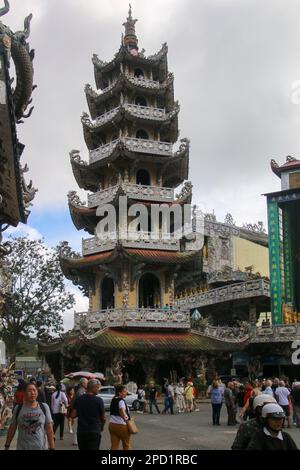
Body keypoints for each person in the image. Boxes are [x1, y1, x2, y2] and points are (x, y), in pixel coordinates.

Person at [4, 383, 54, 450]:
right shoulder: (18, 408)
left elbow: (49, 429)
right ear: (24, 393)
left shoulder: (44, 407)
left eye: (34, 390)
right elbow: (12, 428)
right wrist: (7, 445)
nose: (32, 393)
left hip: (41, 447)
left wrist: (52, 447)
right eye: (29, 391)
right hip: (22, 447)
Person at [71, 379, 105, 451]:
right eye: (97, 388)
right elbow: (103, 417)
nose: (98, 390)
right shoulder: (99, 400)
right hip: (94, 431)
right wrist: (102, 426)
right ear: (93, 387)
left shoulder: (79, 399)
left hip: (82, 431)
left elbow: (73, 415)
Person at [109, 385, 132, 450]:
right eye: (124, 391)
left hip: (112, 425)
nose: (126, 392)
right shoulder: (121, 401)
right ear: (119, 393)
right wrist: (128, 421)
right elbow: (122, 412)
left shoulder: (114, 399)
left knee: (114, 446)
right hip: (121, 425)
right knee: (126, 445)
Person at [72, 378, 88, 446]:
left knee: (80, 426)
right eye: (86, 383)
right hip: (80, 411)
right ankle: (76, 440)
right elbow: (80, 402)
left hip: (80, 411)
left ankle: (77, 440)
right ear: (83, 383)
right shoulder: (80, 391)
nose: (87, 384)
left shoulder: (82, 390)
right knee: (79, 426)